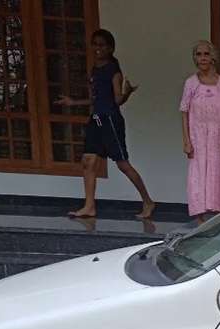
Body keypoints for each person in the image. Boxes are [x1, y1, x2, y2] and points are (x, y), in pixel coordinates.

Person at [57, 28, 155, 219]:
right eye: (94, 44)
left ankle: (148, 201)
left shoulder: (113, 70)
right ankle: (89, 206)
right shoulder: (94, 69)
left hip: (109, 120)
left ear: (110, 48)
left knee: (123, 164)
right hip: (96, 119)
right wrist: (73, 102)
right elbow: (96, 98)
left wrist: (127, 93)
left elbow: (116, 100)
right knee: (88, 161)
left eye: (101, 45)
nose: (97, 48)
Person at [180, 40, 220, 223]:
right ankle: (201, 221)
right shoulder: (191, 84)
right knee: (199, 177)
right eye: (198, 54)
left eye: (206, 54)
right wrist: (186, 140)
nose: (202, 58)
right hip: (199, 140)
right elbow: (184, 112)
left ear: (212, 57)